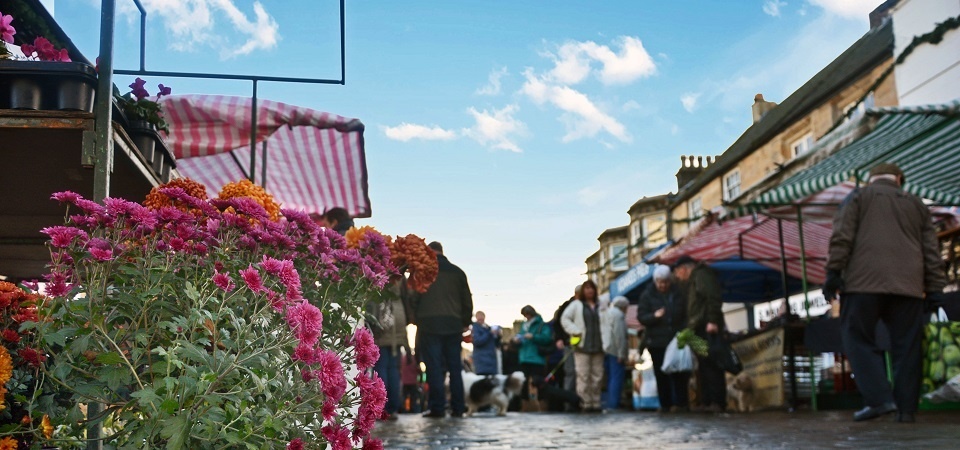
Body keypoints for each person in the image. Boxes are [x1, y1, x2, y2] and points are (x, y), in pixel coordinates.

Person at [823, 163, 946, 423]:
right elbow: (931, 250)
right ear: (899, 179)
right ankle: (906, 411)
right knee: (907, 348)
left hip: (862, 284)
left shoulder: (857, 197)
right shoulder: (916, 204)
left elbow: (842, 236)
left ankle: (880, 400)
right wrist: (935, 288)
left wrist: (833, 272)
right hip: (909, 287)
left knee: (858, 339)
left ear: (871, 179)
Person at [410, 241, 473, 418]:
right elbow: (467, 300)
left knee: (434, 367)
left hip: (429, 324)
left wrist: (415, 318)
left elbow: (413, 296)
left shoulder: (423, 271)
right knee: (455, 368)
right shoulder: (458, 272)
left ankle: (437, 407)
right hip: (453, 325)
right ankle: (458, 407)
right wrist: (465, 321)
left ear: (430, 252)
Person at [672, 255, 726, 413]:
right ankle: (707, 401)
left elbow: (712, 297)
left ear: (683, 269)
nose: (677, 276)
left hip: (705, 326)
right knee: (703, 365)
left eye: (677, 272)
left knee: (712, 364)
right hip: (695, 329)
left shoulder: (702, 275)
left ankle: (717, 401)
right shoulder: (691, 281)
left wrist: (713, 320)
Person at [637, 265, 690, 413]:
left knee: (679, 373)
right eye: (660, 282)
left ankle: (681, 403)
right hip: (657, 342)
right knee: (661, 375)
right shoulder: (647, 295)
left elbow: (684, 314)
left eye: (665, 282)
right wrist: (654, 316)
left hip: (675, 340)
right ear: (655, 281)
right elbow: (641, 317)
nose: (663, 285)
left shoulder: (677, 293)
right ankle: (665, 404)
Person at [561, 280, 605, 412]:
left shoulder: (601, 305)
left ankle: (595, 402)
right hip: (582, 346)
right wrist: (575, 331)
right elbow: (565, 319)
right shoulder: (576, 305)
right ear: (583, 291)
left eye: (592, 288)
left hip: (599, 346)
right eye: (587, 288)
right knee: (583, 375)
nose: (590, 290)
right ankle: (584, 403)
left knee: (597, 375)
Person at [368, 279, 408, 421]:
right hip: (398, 318)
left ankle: (381, 407)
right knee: (393, 369)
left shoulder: (380, 275)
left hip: (383, 319)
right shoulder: (400, 280)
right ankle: (392, 408)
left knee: (381, 368)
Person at [514, 305, 553, 402]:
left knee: (539, 382)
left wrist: (533, 336)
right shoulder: (524, 325)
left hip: (537, 358)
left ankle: (542, 403)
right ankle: (524, 404)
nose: (527, 317)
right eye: (525, 315)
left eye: (528, 314)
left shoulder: (541, 325)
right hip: (524, 357)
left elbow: (547, 338)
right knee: (523, 383)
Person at [552, 285, 582, 396]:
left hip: (584, 344)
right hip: (570, 343)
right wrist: (559, 338)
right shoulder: (567, 306)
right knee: (571, 372)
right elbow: (558, 324)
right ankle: (569, 400)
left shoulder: (587, 305)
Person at [601, 296, 629, 411]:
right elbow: (620, 335)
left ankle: (608, 403)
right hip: (615, 350)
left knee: (609, 378)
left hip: (606, 349)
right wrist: (622, 353)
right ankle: (613, 404)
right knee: (616, 377)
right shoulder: (619, 315)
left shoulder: (607, 313)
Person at [471, 311, 500, 375]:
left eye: (482, 317)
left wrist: (498, 335)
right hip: (481, 362)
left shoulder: (489, 328)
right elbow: (477, 341)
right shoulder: (475, 328)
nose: (481, 319)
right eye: (479, 317)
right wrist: (489, 333)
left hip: (491, 362)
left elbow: (497, 344)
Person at [400, 348, 422, 413]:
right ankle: (414, 410)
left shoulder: (402, 359)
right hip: (413, 382)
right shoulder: (414, 359)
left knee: (404, 398)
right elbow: (419, 371)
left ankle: (404, 410)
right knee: (414, 398)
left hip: (405, 382)